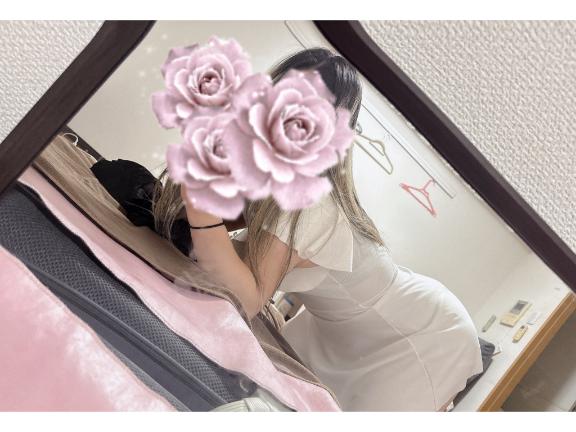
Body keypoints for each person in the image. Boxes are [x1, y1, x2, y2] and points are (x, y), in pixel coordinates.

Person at [152, 48, 483, 411]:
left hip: (419, 336)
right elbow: (221, 234)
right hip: (338, 328)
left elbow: (249, 298)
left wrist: (201, 208)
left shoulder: (310, 202)